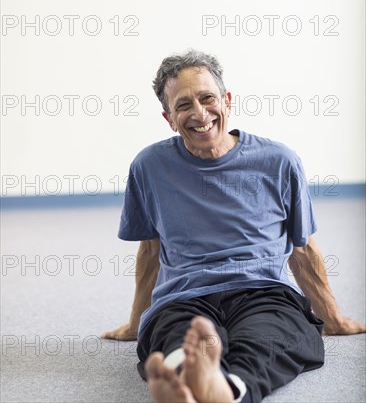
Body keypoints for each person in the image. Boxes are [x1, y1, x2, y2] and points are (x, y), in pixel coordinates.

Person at [102, 50, 365, 403]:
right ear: (168, 118)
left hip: (262, 291)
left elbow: (302, 249)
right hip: (185, 297)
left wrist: (334, 318)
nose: (199, 113)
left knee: (270, 337)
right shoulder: (149, 166)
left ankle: (225, 389)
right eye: (183, 105)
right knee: (181, 341)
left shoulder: (278, 161)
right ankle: (190, 379)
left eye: (207, 98)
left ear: (227, 101)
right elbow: (149, 251)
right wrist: (137, 323)